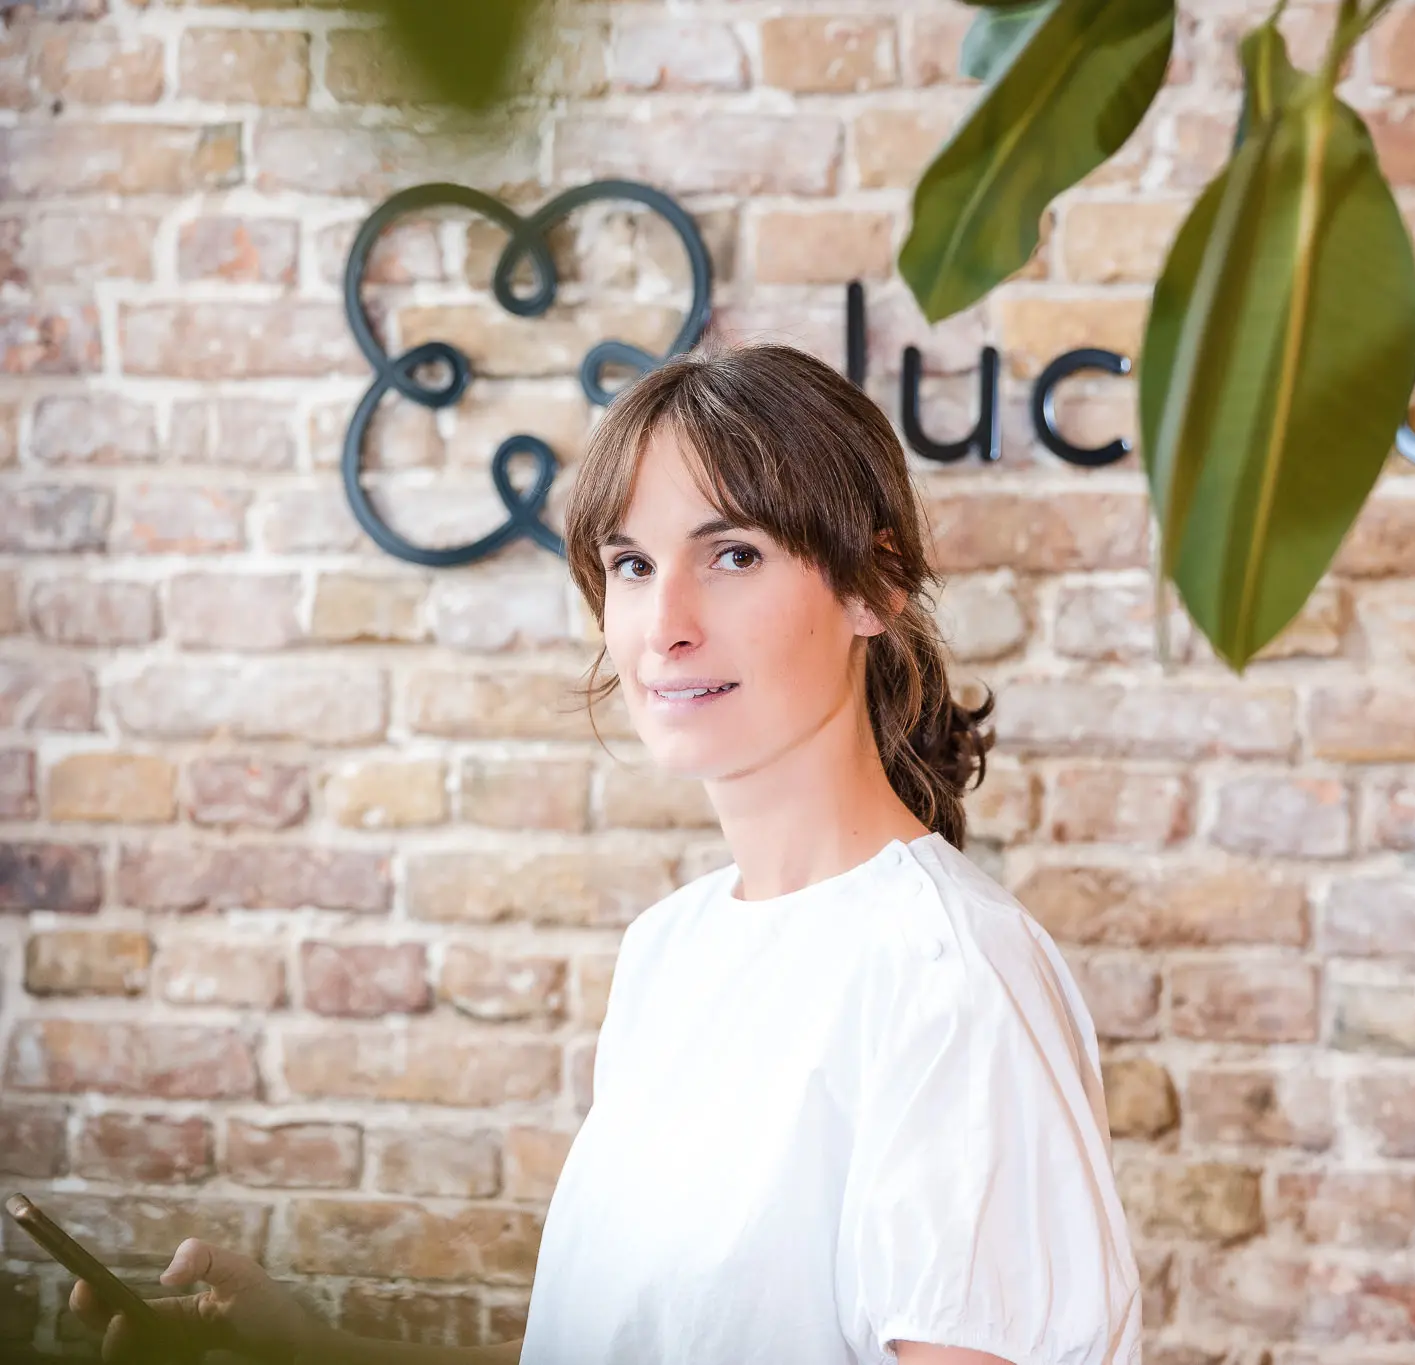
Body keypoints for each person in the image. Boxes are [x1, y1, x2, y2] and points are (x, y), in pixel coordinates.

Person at [70, 344, 1143, 1365]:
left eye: (732, 554)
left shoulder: (948, 979)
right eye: (630, 563)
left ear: (873, 585)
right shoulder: (671, 951)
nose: (663, 624)